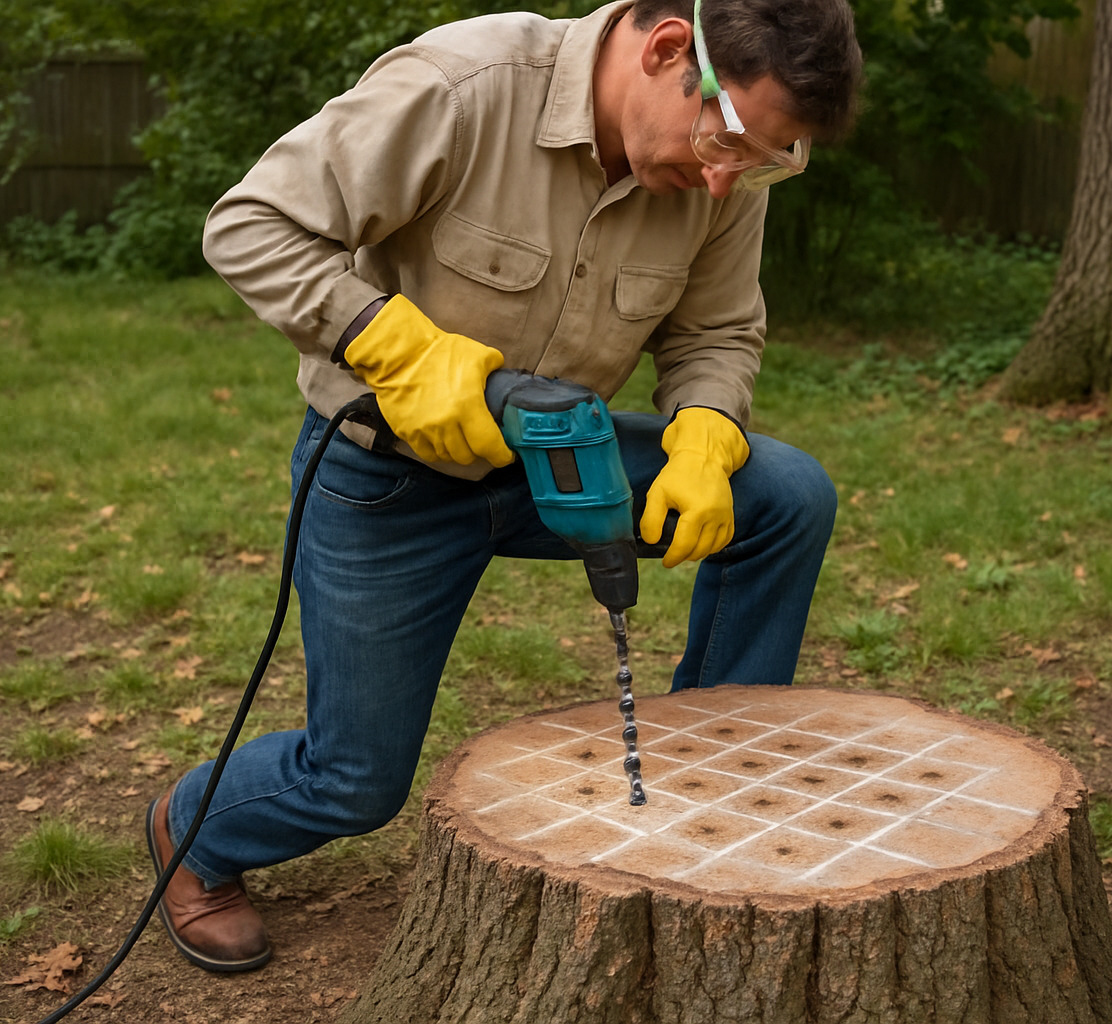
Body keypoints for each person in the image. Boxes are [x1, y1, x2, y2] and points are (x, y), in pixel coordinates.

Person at [146, 0, 864, 973]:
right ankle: (195, 827)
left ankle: (710, 785)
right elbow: (252, 224)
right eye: (731, 139)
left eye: (770, 159)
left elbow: (717, 332)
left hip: (553, 452)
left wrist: (703, 437)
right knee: (355, 781)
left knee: (784, 494)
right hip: (386, 476)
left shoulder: (721, 170)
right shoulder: (465, 85)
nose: (730, 176)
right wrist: (394, 347)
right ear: (664, 51)